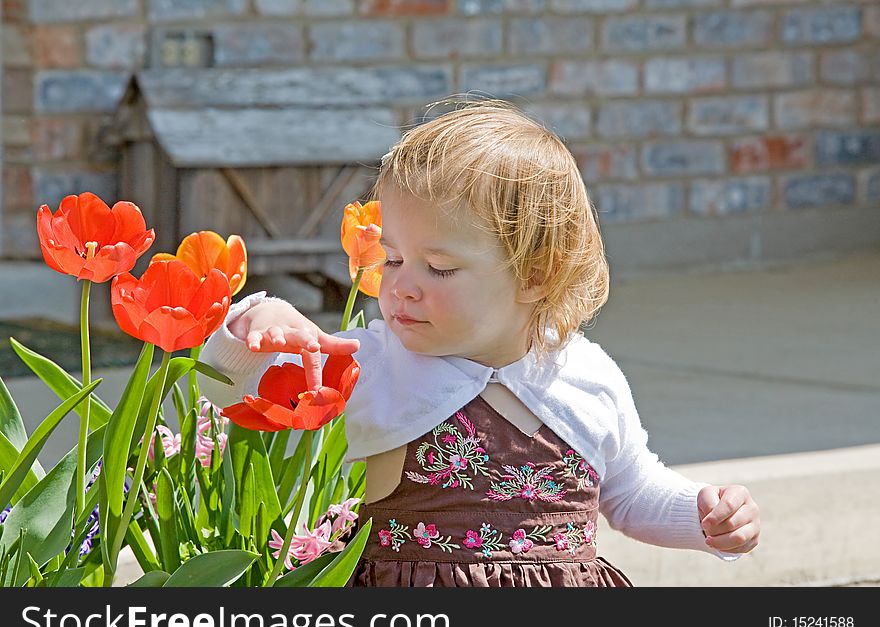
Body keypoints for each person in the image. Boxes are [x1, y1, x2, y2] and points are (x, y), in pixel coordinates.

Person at [198, 99, 760, 587]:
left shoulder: (585, 375)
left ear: (536, 272)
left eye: (438, 267)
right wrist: (254, 326)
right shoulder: (371, 364)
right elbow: (229, 395)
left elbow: (632, 489)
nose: (400, 285)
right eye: (392, 257)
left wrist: (703, 515)